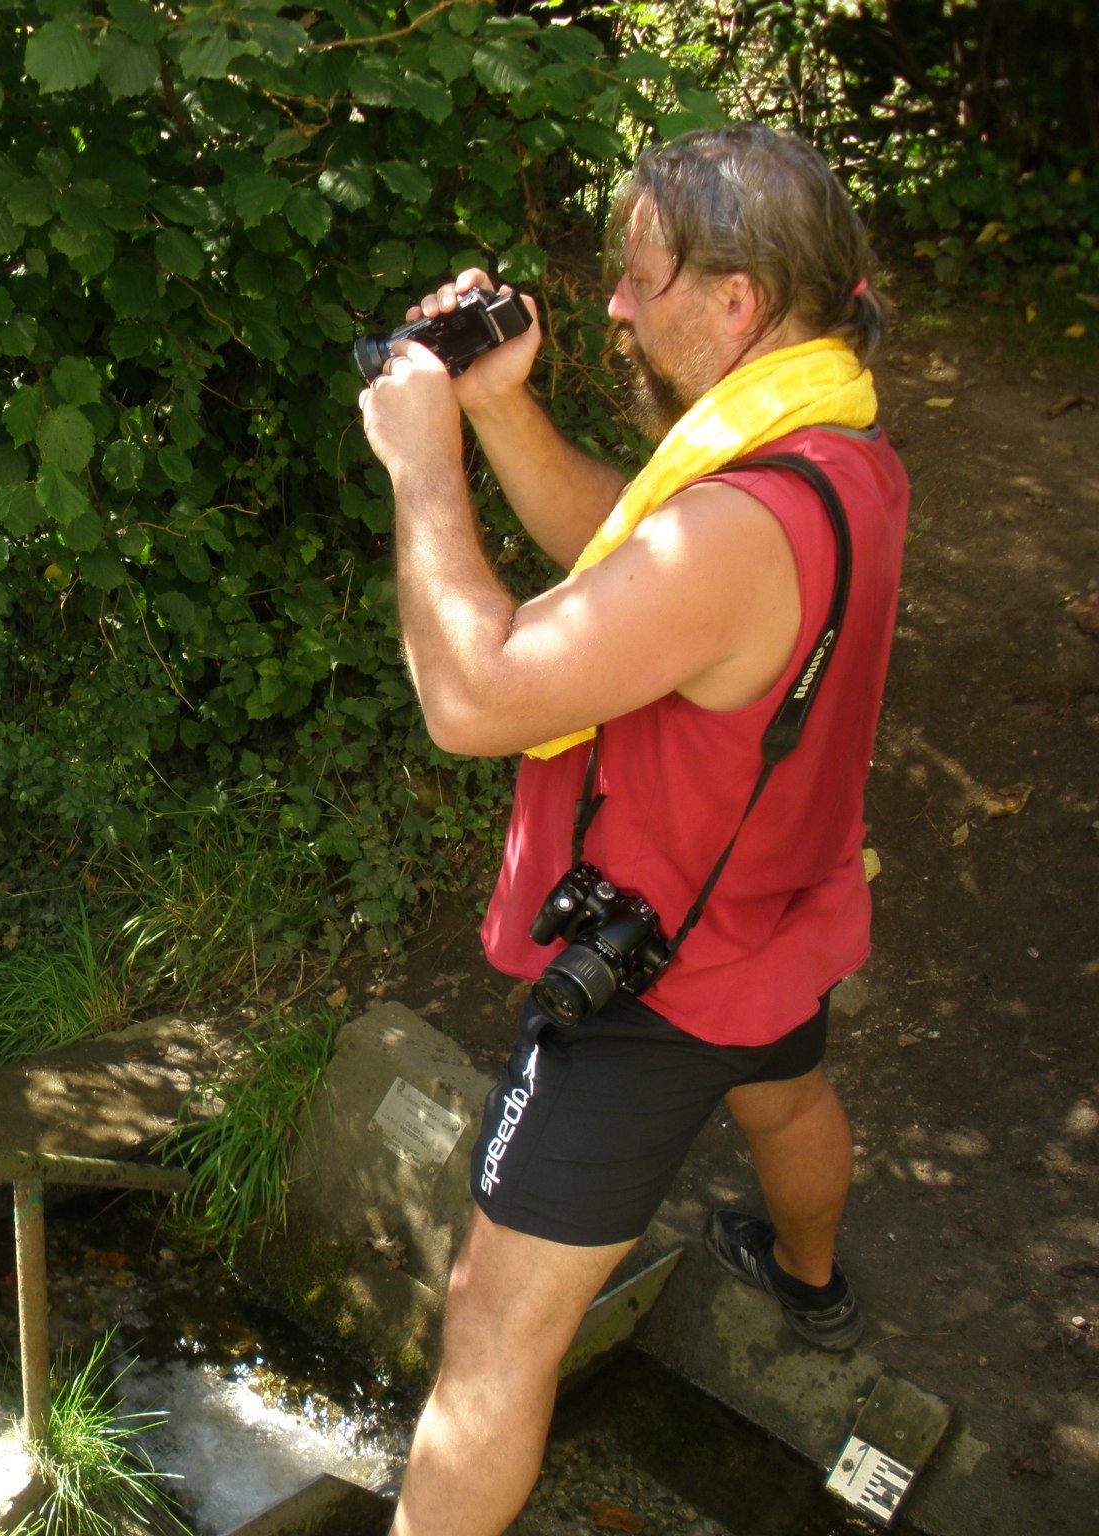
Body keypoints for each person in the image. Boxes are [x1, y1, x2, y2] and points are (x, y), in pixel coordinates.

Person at [358, 124, 907, 1535]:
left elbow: (475, 698)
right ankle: (809, 1280)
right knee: (786, 1092)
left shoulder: (735, 520)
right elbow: (633, 550)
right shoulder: (830, 447)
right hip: (782, 904)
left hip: (658, 971)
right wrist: (491, 410)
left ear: (733, 300)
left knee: (490, 1340)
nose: (608, 301)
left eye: (637, 273)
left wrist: (422, 467)